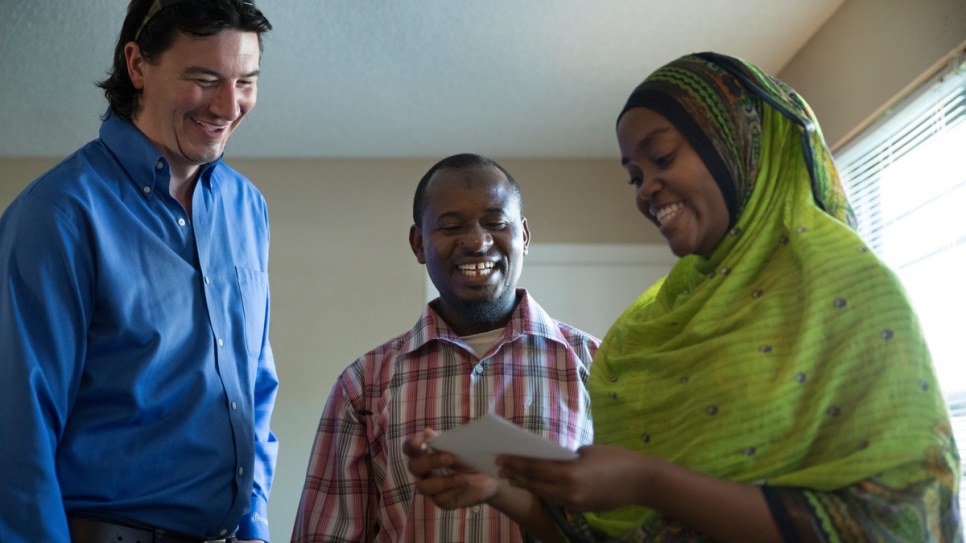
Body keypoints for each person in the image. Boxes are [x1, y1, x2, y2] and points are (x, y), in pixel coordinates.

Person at [405, 53, 962, 542]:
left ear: (739, 145)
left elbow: (901, 521)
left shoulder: (850, 294)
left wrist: (649, 481)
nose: (646, 188)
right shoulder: (648, 331)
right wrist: (499, 490)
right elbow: (613, 534)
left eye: (663, 158)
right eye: (634, 175)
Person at [0, 1, 277, 542]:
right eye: (204, 79)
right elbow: (17, 429)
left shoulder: (249, 208)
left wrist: (256, 526)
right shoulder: (58, 214)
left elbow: (255, 387)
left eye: (246, 81)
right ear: (137, 65)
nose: (229, 105)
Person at [291, 153, 599, 543]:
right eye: (451, 226)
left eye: (495, 223)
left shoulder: (596, 366)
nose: (476, 240)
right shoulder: (363, 385)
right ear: (419, 244)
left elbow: (625, 526)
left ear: (523, 237)